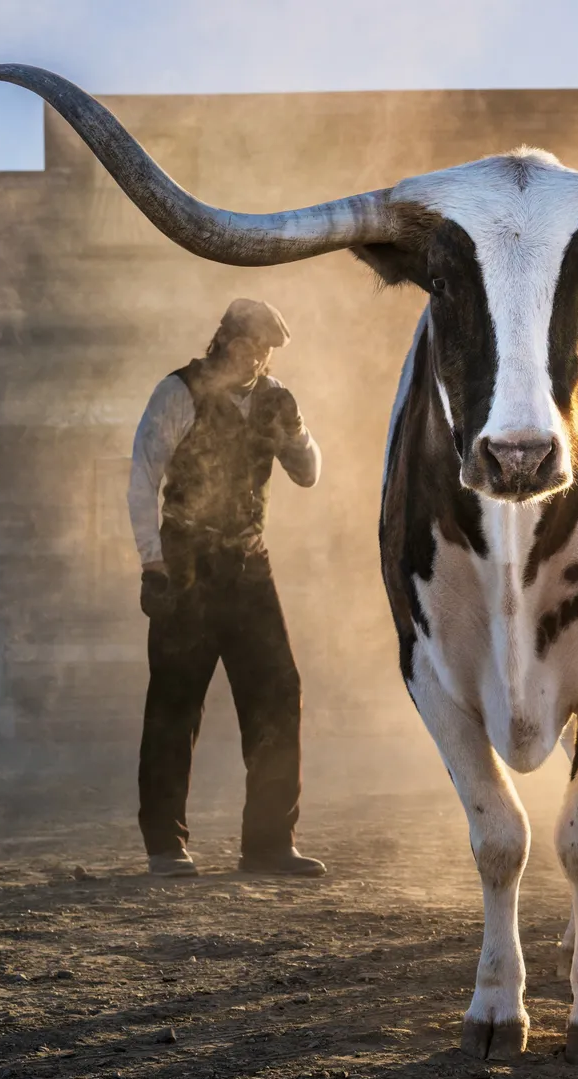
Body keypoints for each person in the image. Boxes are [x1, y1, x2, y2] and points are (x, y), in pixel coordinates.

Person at [127, 298, 326, 878]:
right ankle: (165, 847)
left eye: (266, 350)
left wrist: (297, 430)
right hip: (186, 562)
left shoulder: (275, 399)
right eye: (249, 346)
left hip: (248, 564)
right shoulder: (178, 392)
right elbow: (142, 480)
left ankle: (268, 845)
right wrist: (153, 564)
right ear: (224, 340)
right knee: (174, 704)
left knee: (278, 693)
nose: (258, 358)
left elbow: (308, 472)